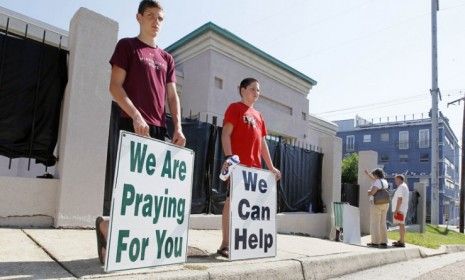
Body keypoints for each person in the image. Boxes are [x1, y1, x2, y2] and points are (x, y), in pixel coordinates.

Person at [95, 0, 186, 265]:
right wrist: (135, 114)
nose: (155, 22)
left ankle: (120, 236)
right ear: (139, 17)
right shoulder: (127, 46)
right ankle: (107, 228)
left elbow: (172, 96)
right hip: (131, 123)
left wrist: (177, 126)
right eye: (150, 16)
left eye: (160, 18)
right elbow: (115, 86)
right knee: (129, 190)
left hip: (157, 128)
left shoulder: (167, 58)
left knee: (151, 193)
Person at [217, 78, 281, 258]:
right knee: (231, 203)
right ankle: (225, 244)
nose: (256, 93)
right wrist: (231, 160)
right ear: (242, 89)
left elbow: (262, 144)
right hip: (239, 168)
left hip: (255, 170)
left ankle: (244, 243)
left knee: (251, 208)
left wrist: (271, 167)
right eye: (253, 89)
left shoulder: (259, 116)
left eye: (258, 90)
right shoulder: (234, 108)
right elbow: (225, 135)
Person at [364, 168, 389, 249]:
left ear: (376, 175)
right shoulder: (384, 181)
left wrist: (369, 192)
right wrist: (368, 174)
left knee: (375, 223)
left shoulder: (377, 181)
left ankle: (375, 242)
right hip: (385, 203)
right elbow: (375, 181)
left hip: (377, 204)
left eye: (374, 175)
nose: (373, 176)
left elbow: (373, 192)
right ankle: (383, 241)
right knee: (382, 223)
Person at [392, 174, 409, 247]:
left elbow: (400, 199)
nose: (395, 181)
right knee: (401, 224)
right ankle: (401, 240)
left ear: (399, 179)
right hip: (401, 209)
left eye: (396, 179)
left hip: (400, 210)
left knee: (401, 224)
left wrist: (396, 210)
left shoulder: (402, 187)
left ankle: (402, 242)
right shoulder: (404, 186)